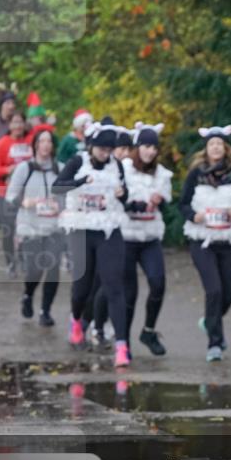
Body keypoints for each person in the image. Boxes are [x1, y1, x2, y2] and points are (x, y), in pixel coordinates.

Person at [56, 120, 132, 367]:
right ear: (90, 146)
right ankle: (76, 320)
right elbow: (57, 187)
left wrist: (123, 194)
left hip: (109, 229)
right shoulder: (77, 162)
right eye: (101, 148)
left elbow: (125, 196)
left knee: (114, 285)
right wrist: (80, 182)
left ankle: (122, 346)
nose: (105, 153)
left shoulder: (116, 165)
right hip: (81, 229)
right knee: (82, 288)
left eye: (108, 149)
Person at [180, 125, 231, 362]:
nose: (216, 148)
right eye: (212, 144)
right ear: (206, 148)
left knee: (227, 295)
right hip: (202, 241)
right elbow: (183, 204)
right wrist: (195, 216)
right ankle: (215, 343)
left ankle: (210, 321)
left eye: (219, 144)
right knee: (214, 291)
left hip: (229, 240)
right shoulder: (196, 173)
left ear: (225, 147)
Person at [121, 122, 173, 355]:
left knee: (158, 284)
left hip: (150, 237)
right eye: (146, 146)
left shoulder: (161, 174)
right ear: (137, 146)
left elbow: (169, 210)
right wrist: (133, 204)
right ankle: (123, 342)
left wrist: (160, 202)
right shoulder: (123, 169)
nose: (150, 151)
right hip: (126, 237)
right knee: (129, 294)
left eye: (154, 147)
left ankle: (148, 331)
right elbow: (114, 201)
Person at [6, 128, 62, 325]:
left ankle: (45, 311)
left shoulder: (60, 168)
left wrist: (61, 204)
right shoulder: (25, 168)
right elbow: (10, 196)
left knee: (53, 270)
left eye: (49, 141)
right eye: (42, 141)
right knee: (35, 269)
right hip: (30, 226)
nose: (46, 145)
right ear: (35, 145)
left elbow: (70, 195)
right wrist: (25, 202)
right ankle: (28, 295)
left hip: (54, 227)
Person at [0, 111, 34, 276]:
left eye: (20, 122)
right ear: (9, 125)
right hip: (5, 193)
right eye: (14, 122)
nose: (18, 126)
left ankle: (23, 259)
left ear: (25, 124)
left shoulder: (31, 142)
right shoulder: (2, 143)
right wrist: (8, 170)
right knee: (8, 229)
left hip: (27, 194)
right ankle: (10, 263)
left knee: (26, 227)